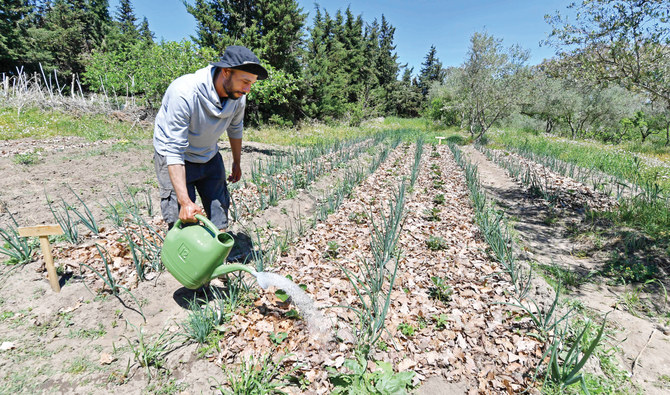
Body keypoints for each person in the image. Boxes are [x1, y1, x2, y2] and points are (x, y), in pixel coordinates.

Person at [153, 45, 268, 231]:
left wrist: (237, 162)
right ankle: (182, 256)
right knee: (183, 219)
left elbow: (235, 127)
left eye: (251, 84)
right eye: (245, 81)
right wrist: (184, 201)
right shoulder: (184, 92)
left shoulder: (238, 96)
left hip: (208, 153)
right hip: (175, 157)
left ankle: (215, 254)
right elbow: (174, 149)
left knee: (219, 211)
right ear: (226, 71)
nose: (248, 89)